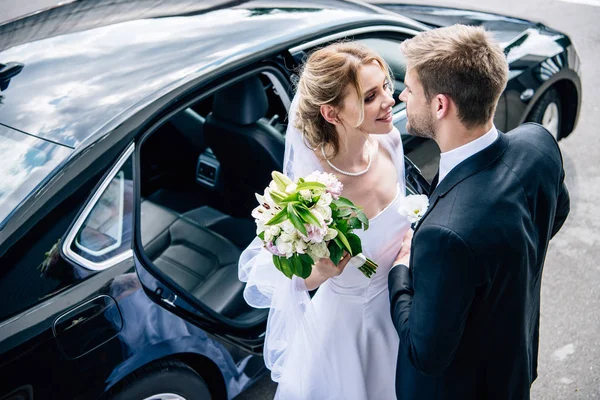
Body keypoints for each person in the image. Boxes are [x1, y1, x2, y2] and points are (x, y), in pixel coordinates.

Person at [388, 24, 571, 399]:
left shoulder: (445, 235)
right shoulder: (538, 143)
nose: (401, 95)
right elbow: (556, 212)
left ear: (440, 105)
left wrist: (400, 272)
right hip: (513, 363)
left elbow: (425, 354)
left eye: (409, 88)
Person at [238, 42, 411, 399]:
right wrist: (322, 273)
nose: (389, 101)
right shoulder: (310, 193)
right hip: (351, 329)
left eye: (386, 88)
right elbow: (278, 278)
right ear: (332, 114)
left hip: (403, 303)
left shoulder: (391, 141)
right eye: (370, 96)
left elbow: (404, 217)